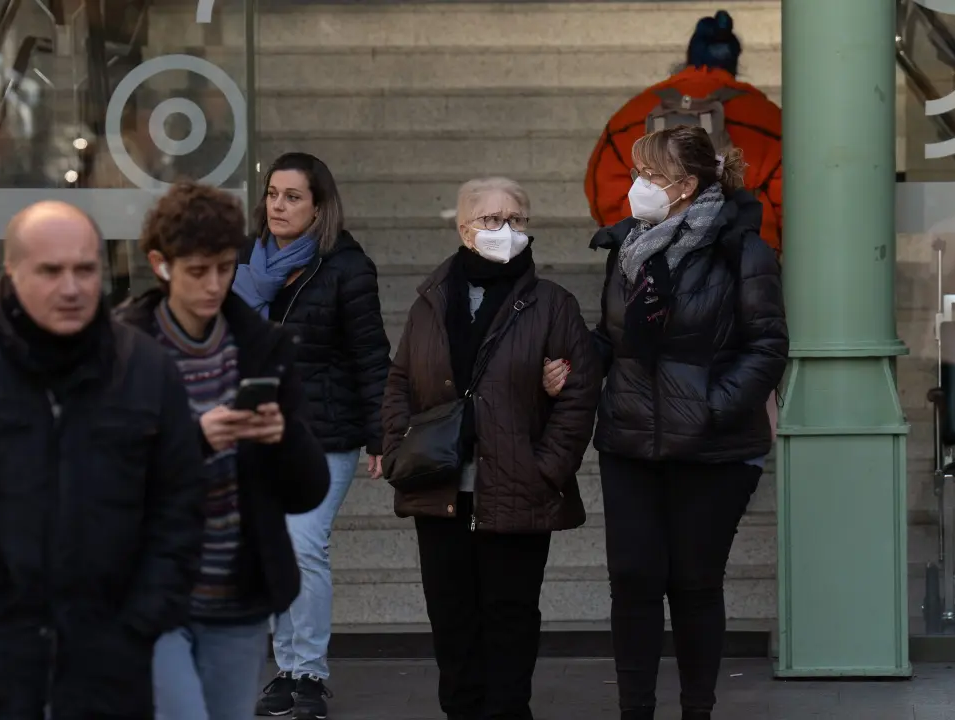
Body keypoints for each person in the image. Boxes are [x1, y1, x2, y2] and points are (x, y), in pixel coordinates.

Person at [0, 201, 207, 718]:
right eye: (51, 271)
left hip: (108, 672)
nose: (72, 287)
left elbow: (179, 508)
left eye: (85, 269)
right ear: (12, 269)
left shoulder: (145, 370)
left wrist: (138, 625)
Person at [381, 177, 601, 720]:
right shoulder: (432, 302)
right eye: (491, 219)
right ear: (464, 229)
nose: (506, 229)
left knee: (511, 618)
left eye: (516, 219)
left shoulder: (552, 304)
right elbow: (400, 380)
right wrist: (397, 448)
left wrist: (545, 469)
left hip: (517, 487)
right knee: (452, 619)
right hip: (440, 487)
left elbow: (578, 396)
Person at [590, 126, 788, 720]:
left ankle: (696, 709)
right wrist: (569, 364)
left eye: (652, 175)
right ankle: (635, 711)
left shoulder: (742, 251)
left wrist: (711, 407)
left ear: (688, 184)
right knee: (633, 578)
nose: (639, 186)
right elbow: (612, 338)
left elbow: (768, 346)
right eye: (638, 173)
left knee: (695, 582)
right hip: (630, 440)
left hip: (712, 447)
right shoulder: (627, 248)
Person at [114, 182, 331, 720]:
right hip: (149, 590)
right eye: (197, 271)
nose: (214, 284)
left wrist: (283, 436)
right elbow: (102, 474)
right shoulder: (122, 350)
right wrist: (195, 439)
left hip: (237, 592)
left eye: (225, 267)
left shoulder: (263, 346)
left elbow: (308, 490)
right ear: (161, 265)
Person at [237, 152, 391, 720]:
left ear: (320, 207)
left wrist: (381, 434)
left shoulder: (348, 268)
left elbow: (371, 355)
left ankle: (308, 672)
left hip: (323, 432)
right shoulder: (245, 263)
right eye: (273, 194)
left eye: (293, 196)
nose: (278, 206)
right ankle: (287, 669)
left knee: (304, 545)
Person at [584, 9, 784, 254]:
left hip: (649, 252)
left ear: (689, 56)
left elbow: (602, 192)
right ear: (735, 63)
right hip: (744, 253)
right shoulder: (766, 116)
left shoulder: (633, 114)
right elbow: (794, 195)